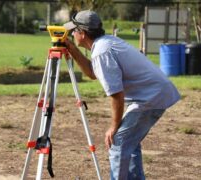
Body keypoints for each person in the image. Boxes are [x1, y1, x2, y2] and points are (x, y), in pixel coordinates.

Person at [63, 10, 180, 180]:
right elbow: (92, 73)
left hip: (150, 97)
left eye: (74, 30)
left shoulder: (102, 51)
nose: (72, 33)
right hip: (154, 94)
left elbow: (117, 94)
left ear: (83, 33)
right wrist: (72, 49)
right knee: (129, 145)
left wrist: (113, 126)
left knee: (117, 143)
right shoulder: (105, 43)